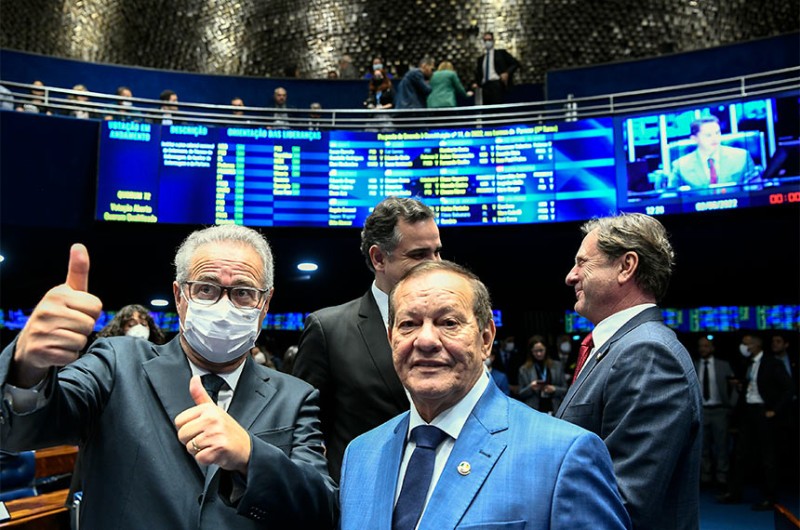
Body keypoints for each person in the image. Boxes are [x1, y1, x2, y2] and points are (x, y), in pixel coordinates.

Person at [0, 225, 337, 528]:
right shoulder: (118, 363)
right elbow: (21, 431)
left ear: (265, 303)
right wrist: (28, 367)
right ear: (179, 296)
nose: (224, 306)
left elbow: (322, 508)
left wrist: (251, 456)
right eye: (206, 289)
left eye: (243, 292)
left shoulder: (295, 396)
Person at [339, 260, 631, 530]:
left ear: (486, 339)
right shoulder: (361, 454)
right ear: (392, 340)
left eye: (448, 323)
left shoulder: (564, 454)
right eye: (409, 324)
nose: (425, 340)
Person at [555, 212, 702, 530]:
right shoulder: (619, 347)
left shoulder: (648, 353)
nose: (571, 275)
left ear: (626, 266)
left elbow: (624, 503)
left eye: (583, 263)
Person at [292, 196, 442, 482]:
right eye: (420, 255)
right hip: (361, 495)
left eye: (437, 252)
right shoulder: (329, 329)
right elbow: (303, 432)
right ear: (379, 258)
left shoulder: (456, 327)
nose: (435, 265)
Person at [718, 333, 794, 511]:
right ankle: (734, 493)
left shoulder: (772, 363)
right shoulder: (748, 363)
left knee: (768, 457)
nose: (744, 347)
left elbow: (789, 388)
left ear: (756, 345)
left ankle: (770, 497)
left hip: (764, 412)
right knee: (740, 454)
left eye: (747, 344)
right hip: (748, 413)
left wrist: (774, 410)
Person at [668, 115, 759, 189]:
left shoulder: (741, 157)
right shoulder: (680, 166)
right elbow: (672, 197)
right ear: (694, 139)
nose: (715, 138)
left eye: (717, 133)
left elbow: (756, 189)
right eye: (708, 135)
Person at [694, 336, 735, 490]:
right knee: (702, 447)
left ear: (712, 348)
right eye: (700, 346)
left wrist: (731, 405)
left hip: (720, 410)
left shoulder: (723, 365)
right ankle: (705, 478)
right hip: (702, 410)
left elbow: (735, 386)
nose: (703, 349)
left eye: (706, 346)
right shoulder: (694, 365)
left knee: (722, 446)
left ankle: (722, 478)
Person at [517, 334, 567, 414]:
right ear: (531, 351)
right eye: (535, 351)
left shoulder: (557, 366)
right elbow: (520, 393)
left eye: (541, 350)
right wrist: (531, 387)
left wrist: (554, 389)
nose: (539, 354)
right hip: (534, 410)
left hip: (554, 408)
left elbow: (565, 389)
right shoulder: (524, 369)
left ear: (546, 349)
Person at [473, 32, 520, 106]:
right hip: (485, 87)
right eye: (485, 40)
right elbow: (478, 74)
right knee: (487, 111)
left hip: (497, 84)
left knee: (498, 108)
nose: (487, 42)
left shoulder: (500, 53)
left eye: (489, 40)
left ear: (493, 41)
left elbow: (515, 63)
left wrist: (507, 73)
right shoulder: (481, 59)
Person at [95, 303, 167, 345]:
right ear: (120, 329)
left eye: (144, 324)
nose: (139, 328)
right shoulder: (108, 352)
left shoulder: (156, 356)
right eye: (131, 325)